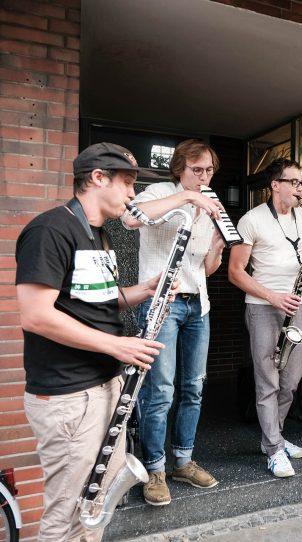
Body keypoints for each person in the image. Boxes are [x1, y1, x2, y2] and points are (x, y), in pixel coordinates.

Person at [15, 143, 170, 541]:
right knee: (66, 517)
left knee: (95, 508)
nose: (133, 195)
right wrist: (117, 346)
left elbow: (100, 298)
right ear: (98, 178)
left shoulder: (99, 234)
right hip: (69, 395)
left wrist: (146, 290)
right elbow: (36, 315)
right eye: (128, 183)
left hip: (104, 386)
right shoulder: (51, 229)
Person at [120, 139, 226, 506]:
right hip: (161, 302)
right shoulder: (161, 192)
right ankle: (155, 468)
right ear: (180, 167)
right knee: (160, 391)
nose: (204, 176)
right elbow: (131, 217)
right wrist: (188, 198)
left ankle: (183, 459)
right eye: (197, 169)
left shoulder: (211, 202)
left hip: (198, 303)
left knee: (194, 387)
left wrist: (216, 249)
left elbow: (206, 269)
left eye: (209, 170)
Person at [228, 158, 302, 478]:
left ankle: (273, 437)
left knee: (290, 381)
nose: (299, 189)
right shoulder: (252, 220)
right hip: (263, 307)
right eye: (294, 182)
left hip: (296, 306)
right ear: (275, 185)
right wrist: (272, 296)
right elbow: (235, 273)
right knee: (268, 382)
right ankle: (274, 449)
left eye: (301, 183)